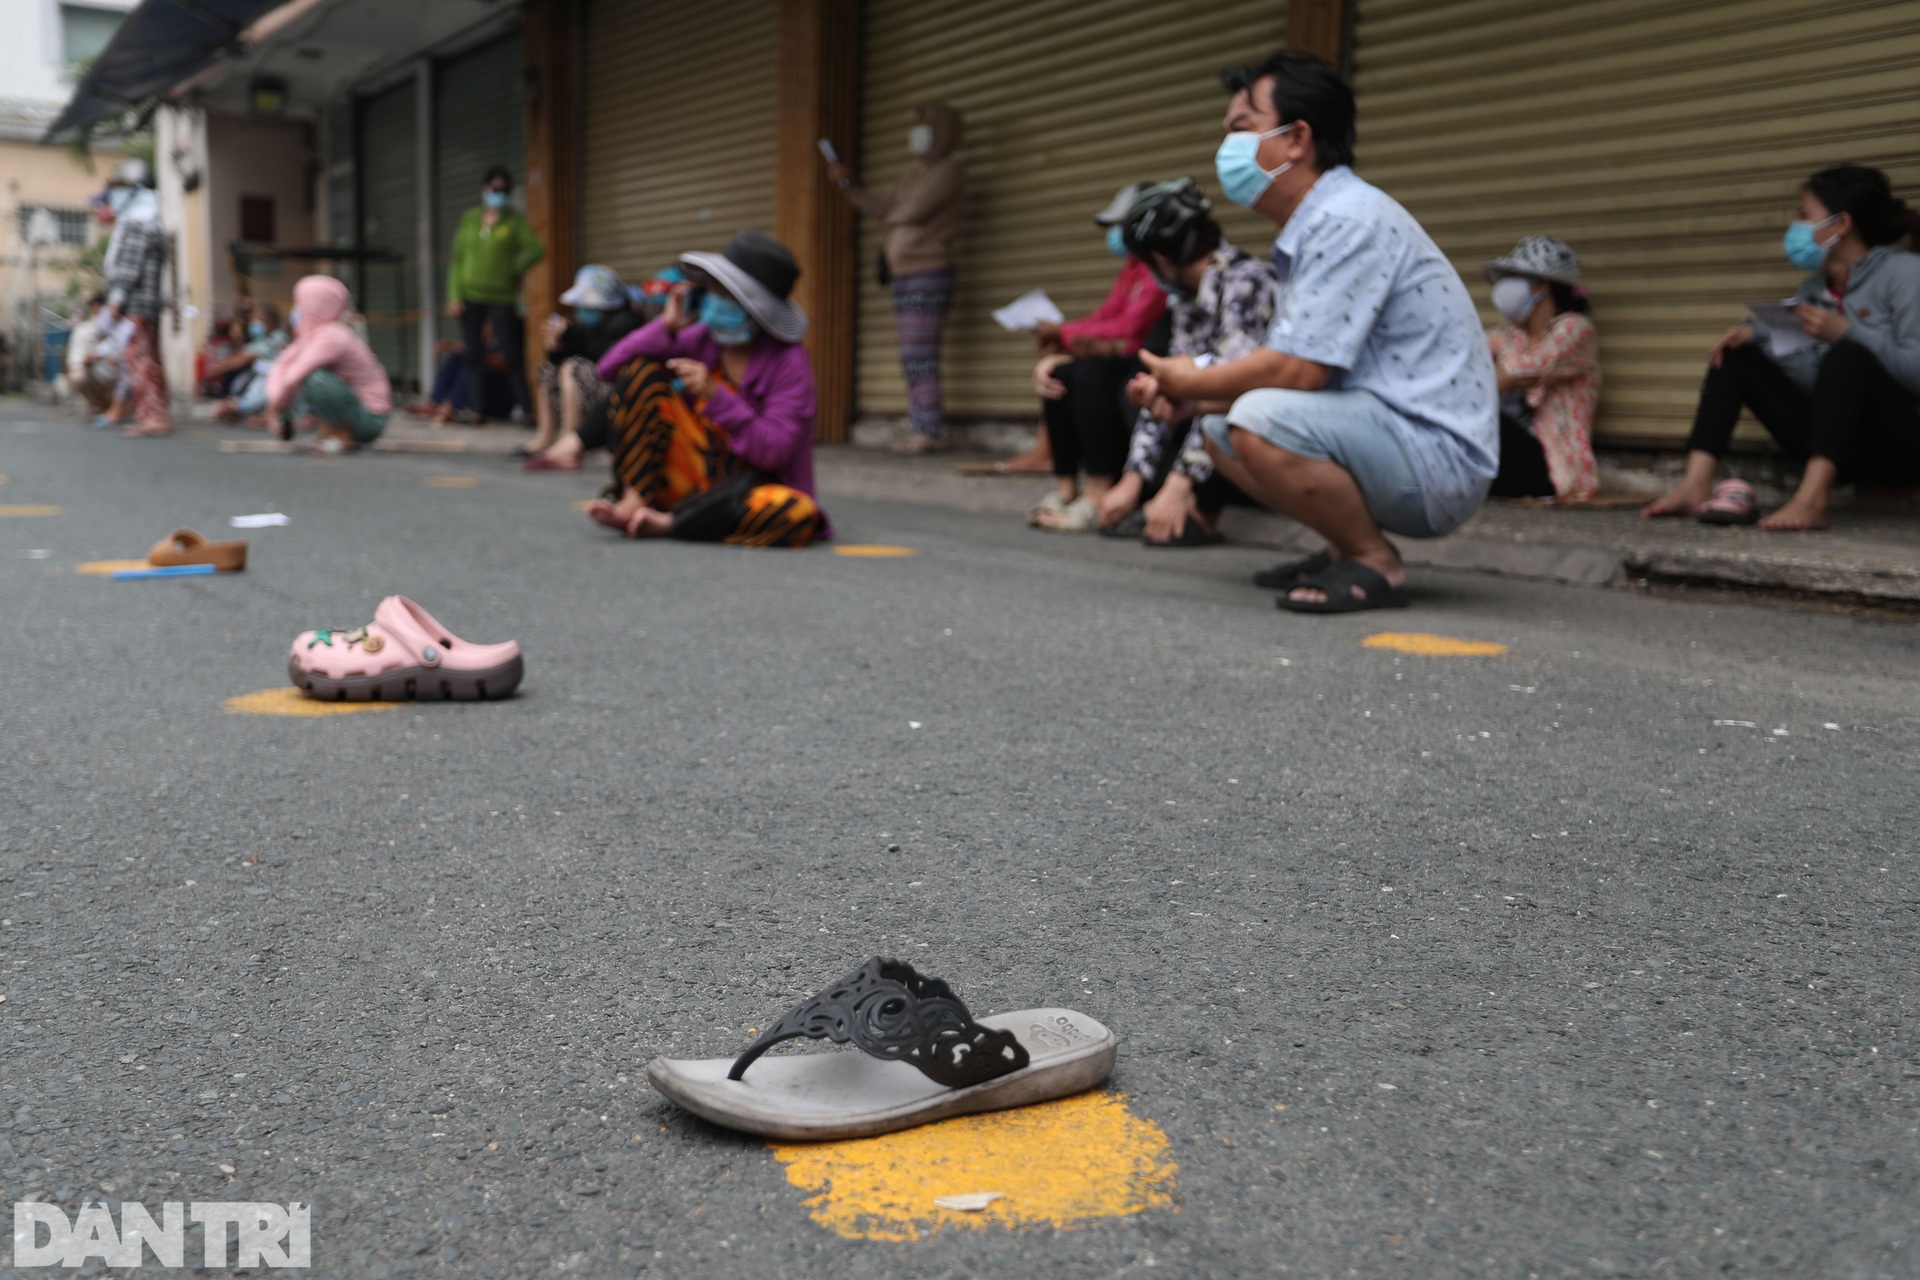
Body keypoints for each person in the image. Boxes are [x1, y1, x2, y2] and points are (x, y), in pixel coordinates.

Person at [1136, 51, 1496, 611]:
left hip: (1435, 458)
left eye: (1241, 128)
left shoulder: (1346, 220)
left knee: (1256, 418)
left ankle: (1372, 560)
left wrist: (1190, 381)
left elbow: (1300, 371)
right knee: (1218, 426)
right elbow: (1299, 366)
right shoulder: (1315, 228)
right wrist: (1194, 396)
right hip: (1393, 436)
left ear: (1296, 139)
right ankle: (1341, 548)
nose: (1226, 147)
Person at [1644, 166, 1920, 531]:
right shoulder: (1812, 291)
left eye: (1804, 215)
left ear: (1841, 225)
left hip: (1904, 445)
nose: (1795, 226)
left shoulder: (1905, 273)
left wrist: (1848, 332)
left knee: (1848, 353)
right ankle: (1694, 485)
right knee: (1738, 351)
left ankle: (1811, 500)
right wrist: (1758, 335)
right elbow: (1819, 385)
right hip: (1845, 448)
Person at [586, 230, 828, 547]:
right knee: (642, 370)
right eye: (712, 289)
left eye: (724, 293)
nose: (713, 298)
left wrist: (716, 396)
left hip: (745, 490)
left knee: (797, 512)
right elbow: (609, 369)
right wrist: (666, 326)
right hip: (692, 473)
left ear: (754, 308)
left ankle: (672, 523)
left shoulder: (789, 361)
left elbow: (775, 450)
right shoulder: (702, 337)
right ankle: (635, 501)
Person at [1096, 179, 1276, 546]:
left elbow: (1227, 389)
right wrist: (1133, 479)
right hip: (1209, 425)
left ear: (1160, 259)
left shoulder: (1247, 282)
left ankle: (1197, 510)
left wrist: (1179, 484)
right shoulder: (1188, 300)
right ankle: (1160, 502)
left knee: (1226, 409)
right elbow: (1174, 381)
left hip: (1257, 433)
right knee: (1142, 390)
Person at [1028, 184, 1171, 531]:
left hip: (1147, 358)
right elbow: (1106, 315)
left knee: (1090, 374)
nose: (1116, 235)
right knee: (1062, 375)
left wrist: (1069, 336)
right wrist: (1065, 335)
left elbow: (1130, 326)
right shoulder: (1131, 269)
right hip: (1122, 356)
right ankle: (1066, 489)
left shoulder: (1159, 269)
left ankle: (1097, 494)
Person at [831, 104, 966, 453]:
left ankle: (927, 430)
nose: (917, 133)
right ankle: (921, 424)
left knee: (919, 352)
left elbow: (913, 210)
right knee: (910, 354)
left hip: (930, 272)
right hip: (903, 275)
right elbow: (882, 208)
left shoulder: (948, 170)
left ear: (943, 130)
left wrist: (893, 217)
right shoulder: (912, 175)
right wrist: (847, 184)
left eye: (925, 125)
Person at [1481, 236, 1599, 502]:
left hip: (1552, 469)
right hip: (1513, 459)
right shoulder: (1513, 336)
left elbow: (1518, 374)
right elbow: (1467, 352)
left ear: (1540, 284)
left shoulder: (1575, 330)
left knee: (1476, 410)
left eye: (1514, 276)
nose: (1504, 285)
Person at [445, 164, 545, 423]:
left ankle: (527, 409)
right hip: (470, 296)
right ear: (483, 189)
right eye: (494, 189)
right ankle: (475, 410)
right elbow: (457, 261)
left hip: (502, 298)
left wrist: (512, 269)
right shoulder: (469, 218)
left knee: (511, 354)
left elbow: (536, 249)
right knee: (473, 355)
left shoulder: (514, 221)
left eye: (503, 191)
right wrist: (454, 296)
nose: (498, 194)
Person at [522, 264, 642, 468]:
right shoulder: (595, 326)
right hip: (595, 392)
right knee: (548, 370)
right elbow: (571, 355)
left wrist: (571, 334)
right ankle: (545, 438)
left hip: (616, 395)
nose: (581, 311)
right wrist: (558, 346)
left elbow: (604, 360)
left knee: (573, 367)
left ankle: (570, 441)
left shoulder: (624, 323)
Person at [265, 275, 393, 453]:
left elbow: (295, 375)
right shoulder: (314, 335)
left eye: (301, 303)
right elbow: (283, 365)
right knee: (301, 380)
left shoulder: (332, 336)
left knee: (314, 378)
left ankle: (343, 435)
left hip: (370, 418)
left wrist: (277, 407)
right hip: (357, 410)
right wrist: (276, 405)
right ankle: (329, 433)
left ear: (315, 305)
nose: (297, 310)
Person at [98, 159, 174, 438]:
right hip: (148, 305)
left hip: (136, 306)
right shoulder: (152, 222)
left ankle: (153, 416)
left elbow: (129, 267)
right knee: (148, 360)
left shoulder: (136, 222)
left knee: (140, 362)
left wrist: (116, 299)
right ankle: (153, 414)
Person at [65, 294, 118, 416]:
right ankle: (97, 405)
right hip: (96, 373)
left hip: (115, 376)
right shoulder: (83, 330)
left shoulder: (121, 326)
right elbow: (75, 362)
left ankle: (113, 408)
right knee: (79, 376)